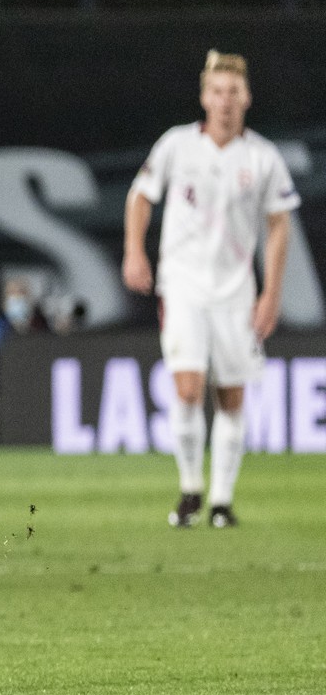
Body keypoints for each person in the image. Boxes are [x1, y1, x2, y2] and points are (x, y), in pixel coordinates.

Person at [122, 49, 298, 529]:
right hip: (182, 285)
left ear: (247, 98)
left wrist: (271, 293)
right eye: (217, 91)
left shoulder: (261, 157)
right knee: (187, 387)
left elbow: (279, 225)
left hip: (235, 291)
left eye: (233, 92)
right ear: (204, 96)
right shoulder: (177, 146)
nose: (225, 101)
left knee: (232, 396)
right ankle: (190, 490)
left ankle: (222, 501)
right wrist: (135, 251)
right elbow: (139, 196)